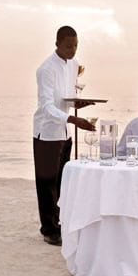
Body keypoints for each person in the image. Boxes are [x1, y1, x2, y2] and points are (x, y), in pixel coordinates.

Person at [33, 26, 96, 246]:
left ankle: (60, 223)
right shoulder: (46, 69)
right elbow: (47, 106)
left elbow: (67, 97)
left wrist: (79, 103)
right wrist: (73, 120)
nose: (73, 49)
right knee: (46, 182)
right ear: (57, 43)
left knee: (62, 181)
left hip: (65, 131)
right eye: (69, 45)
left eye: (76, 45)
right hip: (47, 131)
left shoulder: (74, 64)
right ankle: (48, 229)